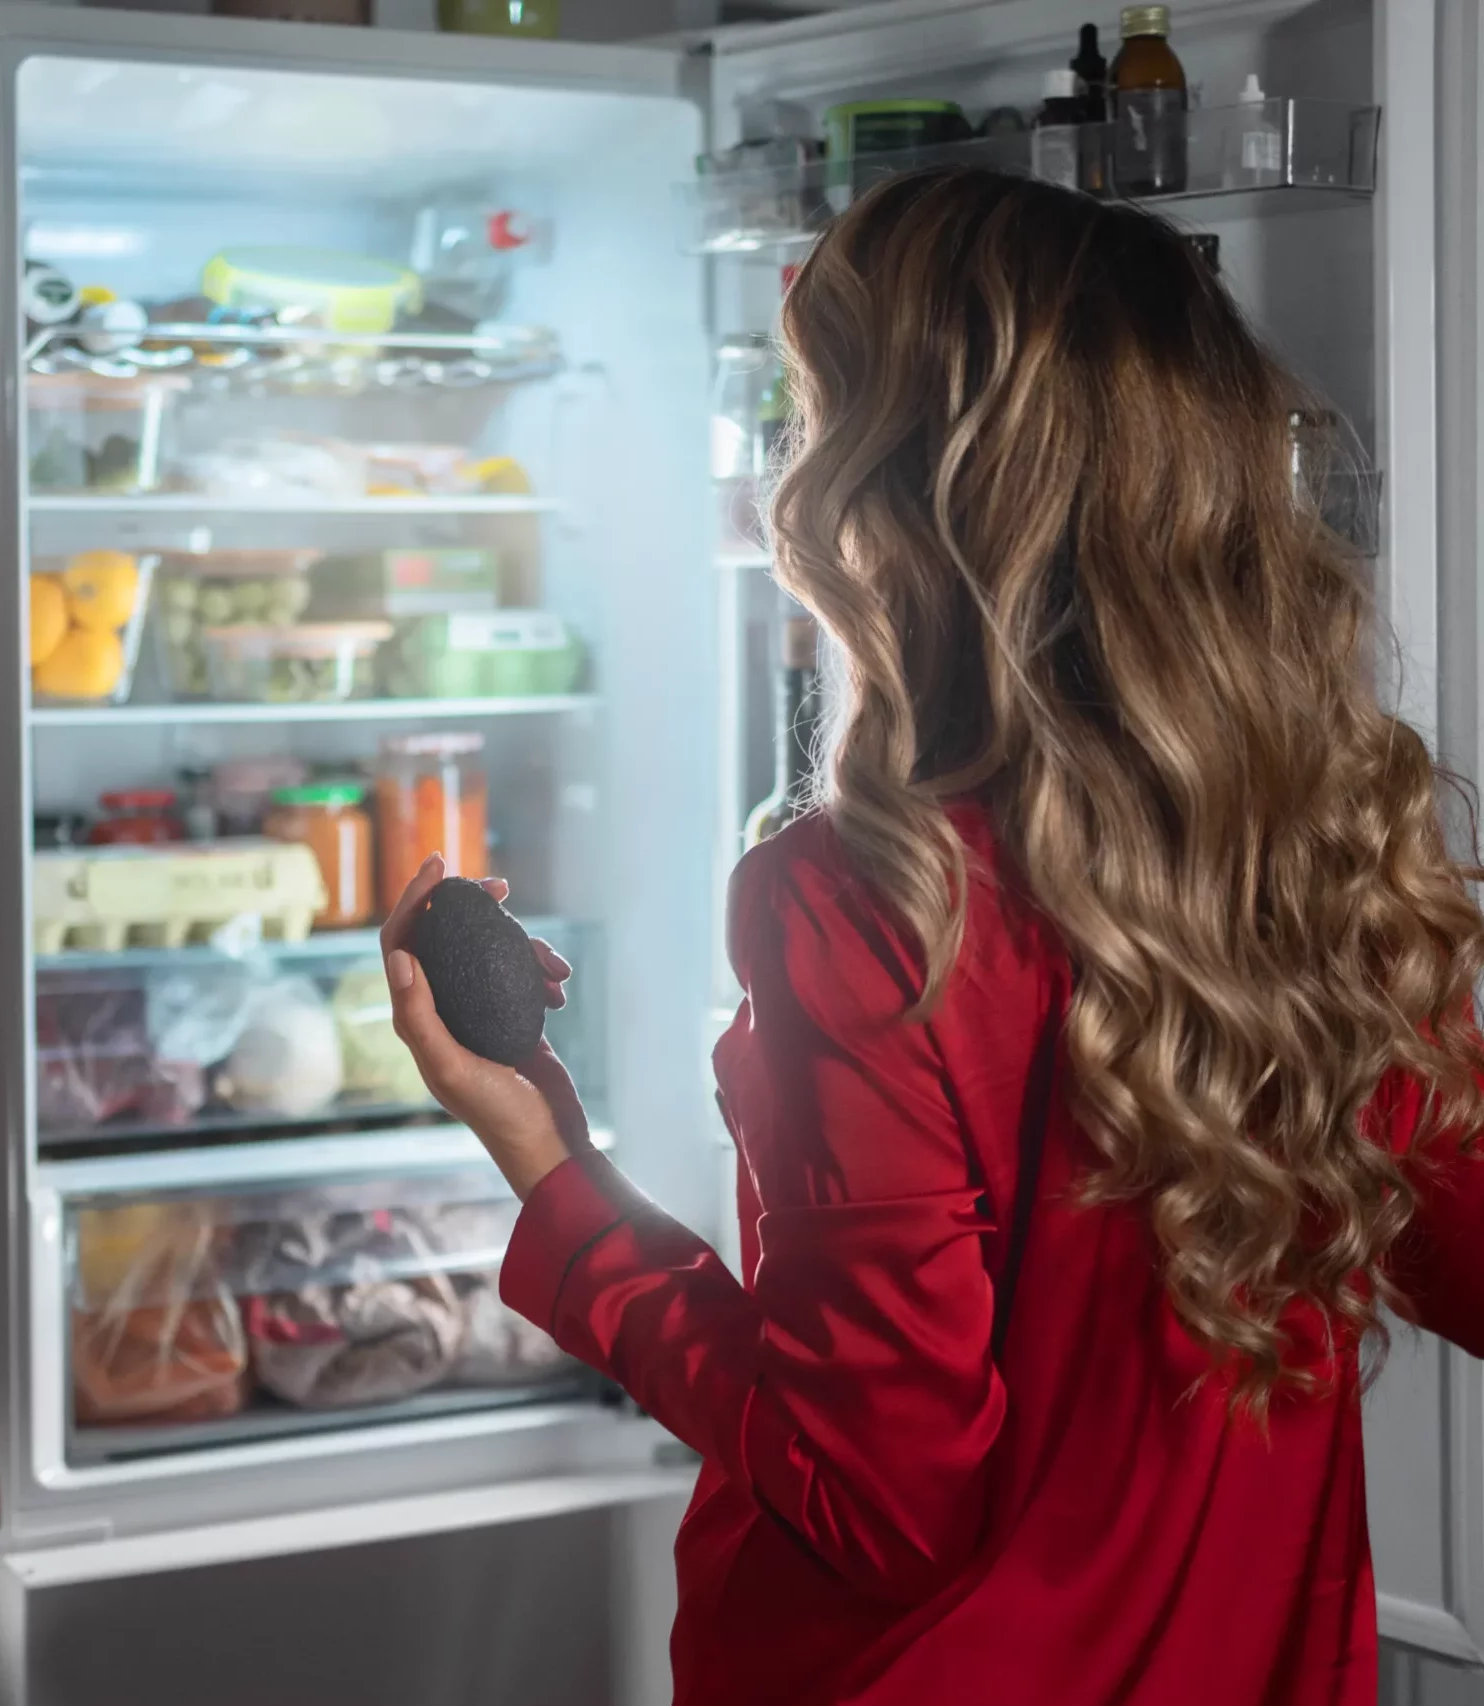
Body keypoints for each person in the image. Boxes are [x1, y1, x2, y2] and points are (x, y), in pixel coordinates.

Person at [381, 169, 1484, 1705]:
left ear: (891, 498)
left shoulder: (859, 898)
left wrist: (554, 1168)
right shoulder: (1324, 842)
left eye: (814, 420)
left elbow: (881, 1500)